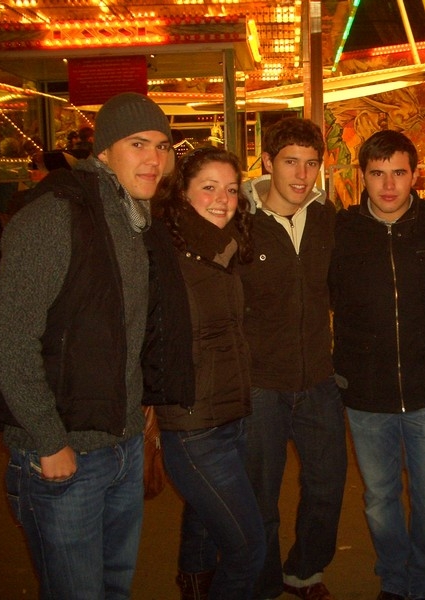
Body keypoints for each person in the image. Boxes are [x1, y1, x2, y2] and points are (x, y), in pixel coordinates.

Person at [0, 91, 172, 599]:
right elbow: (5, 338)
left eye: (162, 146)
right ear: (103, 150)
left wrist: (141, 408)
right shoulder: (55, 216)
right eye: (137, 144)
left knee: (114, 587)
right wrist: (49, 440)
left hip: (122, 444)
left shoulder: (134, 217)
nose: (154, 159)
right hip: (65, 456)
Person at [329, 129, 425, 600]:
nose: (388, 185)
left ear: (415, 175)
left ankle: (423, 582)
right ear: (361, 176)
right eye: (377, 174)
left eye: (399, 173)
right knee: (380, 498)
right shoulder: (340, 230)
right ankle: (393, 577)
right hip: (366, 392)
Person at [144, 146, 266, 599]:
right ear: (182, 193)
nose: (222, 200)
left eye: (231, 190)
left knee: (206, 524)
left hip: (231, 415)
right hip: (194, 426)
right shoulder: (165, 255)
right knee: (248, 549)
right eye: (209, 188)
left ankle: (194, 584)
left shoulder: (223, 248)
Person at [240, 117, 347, 600]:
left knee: (327, 484)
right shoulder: (239, 220)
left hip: (319, 379)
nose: (302, 175)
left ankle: (304, 570)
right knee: (260, 493)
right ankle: (262, 581)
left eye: (311, 163)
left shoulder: (326, 218)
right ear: (267, 162)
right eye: (290, 162)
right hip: (260, 382)